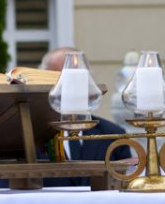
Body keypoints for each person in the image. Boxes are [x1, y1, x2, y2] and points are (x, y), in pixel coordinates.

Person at [38, 46, 130, 186]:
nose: (68, 88)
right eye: (61, 80)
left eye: (75, 80)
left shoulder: (112, 135)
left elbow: (126, 185)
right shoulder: (30, 137)